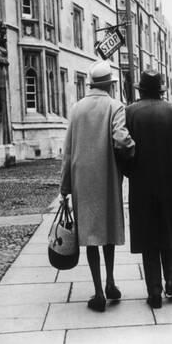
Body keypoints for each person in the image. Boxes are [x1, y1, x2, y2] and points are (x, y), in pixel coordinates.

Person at [60, 61, 135, 312]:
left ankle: (99, 292)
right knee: (108, 233)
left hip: (82, 180)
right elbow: (122, 140)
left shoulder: (77, 109)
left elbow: (67, 152)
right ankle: (111, 282)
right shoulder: (115, 106)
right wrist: (132, 156)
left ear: (91, 84)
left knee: (90, 236)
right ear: (110, 85)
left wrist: (64, 189)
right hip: (107, 177)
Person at [125, 70, 172, 309]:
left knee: (149, 237)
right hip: (171, 184)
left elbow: (122, 149)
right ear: (160, 90)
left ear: (141, 90)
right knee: (168, 231)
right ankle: (171, 281)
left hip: (141, 185)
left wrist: (131, 172)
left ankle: (154, 290)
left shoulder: (130, 113)